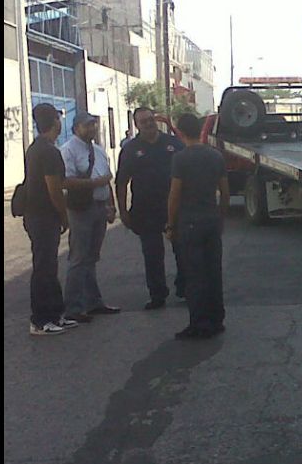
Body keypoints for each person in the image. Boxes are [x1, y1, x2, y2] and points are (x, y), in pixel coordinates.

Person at [166, 113, 230, 339]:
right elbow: (225, 192)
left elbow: (175, 195)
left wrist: (171, 224)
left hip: (190, 222)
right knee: (213, 271)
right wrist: (221, 217)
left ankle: (199, 323)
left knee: (194, 274)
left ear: (181, 132)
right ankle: (216, 318)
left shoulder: (180, 159)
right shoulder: (216, 156)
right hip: (211, 220)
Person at [116, 107, 186, 310]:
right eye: (143, 121)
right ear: (136, 125)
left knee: (182, 250)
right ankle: (157, 294)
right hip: (145, 211)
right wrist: (123, 211)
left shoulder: (173, 144)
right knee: (152, 254)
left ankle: (185, 288)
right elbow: (121, 182)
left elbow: (187, 173)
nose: (148, 124)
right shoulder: (131, 149)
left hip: (174, 207)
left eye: (150, 119)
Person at [23, 103, 78, 335]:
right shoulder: (48, 151)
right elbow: (53, 188)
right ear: (55, 121)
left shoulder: (37, 148)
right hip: (43, 216)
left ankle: (56, 314)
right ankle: (40, 320)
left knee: (49, 265)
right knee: (44, 267)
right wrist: (63, 215)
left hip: (37, 215)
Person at [60, 112, 120, 323]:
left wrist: (111, 205)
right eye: (87, 125)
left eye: (93, 124)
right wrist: (95, 183)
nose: (92, 128)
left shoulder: (98, 151)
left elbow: (107, 179)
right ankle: (73, 308)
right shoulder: (68, 150)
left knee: (91, 258)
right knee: (78, 258)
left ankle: (93, 302)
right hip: (81, 209)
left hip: (100, 207)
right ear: (76, 128)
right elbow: (66, 181)